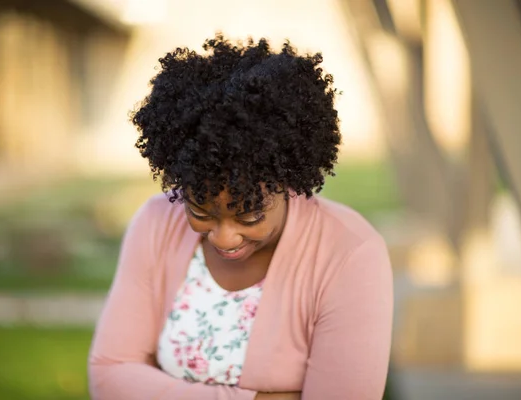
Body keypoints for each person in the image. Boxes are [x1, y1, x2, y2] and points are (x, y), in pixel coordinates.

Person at [88, 34, 393, 400]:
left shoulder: (349, 253)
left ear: (289, 180)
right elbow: (109, 376)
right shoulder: (156, 223)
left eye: (249, 216)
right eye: (200, 211)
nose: (223, 238)